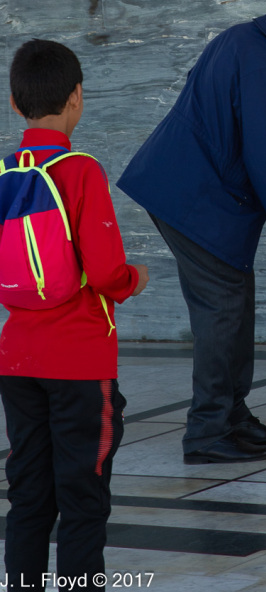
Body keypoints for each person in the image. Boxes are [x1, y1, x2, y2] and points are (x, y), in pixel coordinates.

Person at [118, 0, 266, 464]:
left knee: (234, 303)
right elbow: (262, 155)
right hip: (194, 198)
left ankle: (232, 416)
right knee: (221, 311)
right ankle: (206, 432)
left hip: (195, 193)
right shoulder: (260, 61)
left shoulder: (243, 39)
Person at [0, 39, 148, 590]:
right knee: (83, 498)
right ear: (77, 97)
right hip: (79, 362)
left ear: (14, 103)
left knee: (28, 494)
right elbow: (107, 274)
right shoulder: (81, 171)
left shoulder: (3, 172)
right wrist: (136, 278)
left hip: (17, 358)